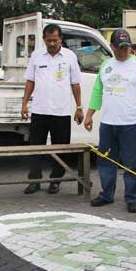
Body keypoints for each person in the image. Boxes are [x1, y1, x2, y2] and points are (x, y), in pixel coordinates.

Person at [84, 29, 136, 213]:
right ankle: (106, 194)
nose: (125, 51)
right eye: (121, 48)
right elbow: (97, 91)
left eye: (128, 47)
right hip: (108, 123)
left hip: (132, 123)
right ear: (112, 47)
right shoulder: (106, 65)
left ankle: (132, 198)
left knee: (132, 163)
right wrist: (90, 114)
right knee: (106, 160)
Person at [21, 24, 83, 195]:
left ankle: (55, 181)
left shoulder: (70, 57)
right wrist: (24, 103)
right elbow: (30, 81)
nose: (52, 44)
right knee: (35, 148)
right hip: (39, 110)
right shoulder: (36, 56)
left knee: (61, 149)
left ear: (61, 39)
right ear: (44, 39)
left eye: (55, 40)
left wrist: (79, 107)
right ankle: (35, 181)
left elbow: (75, 83)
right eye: (48, 40)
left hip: (61, 112)